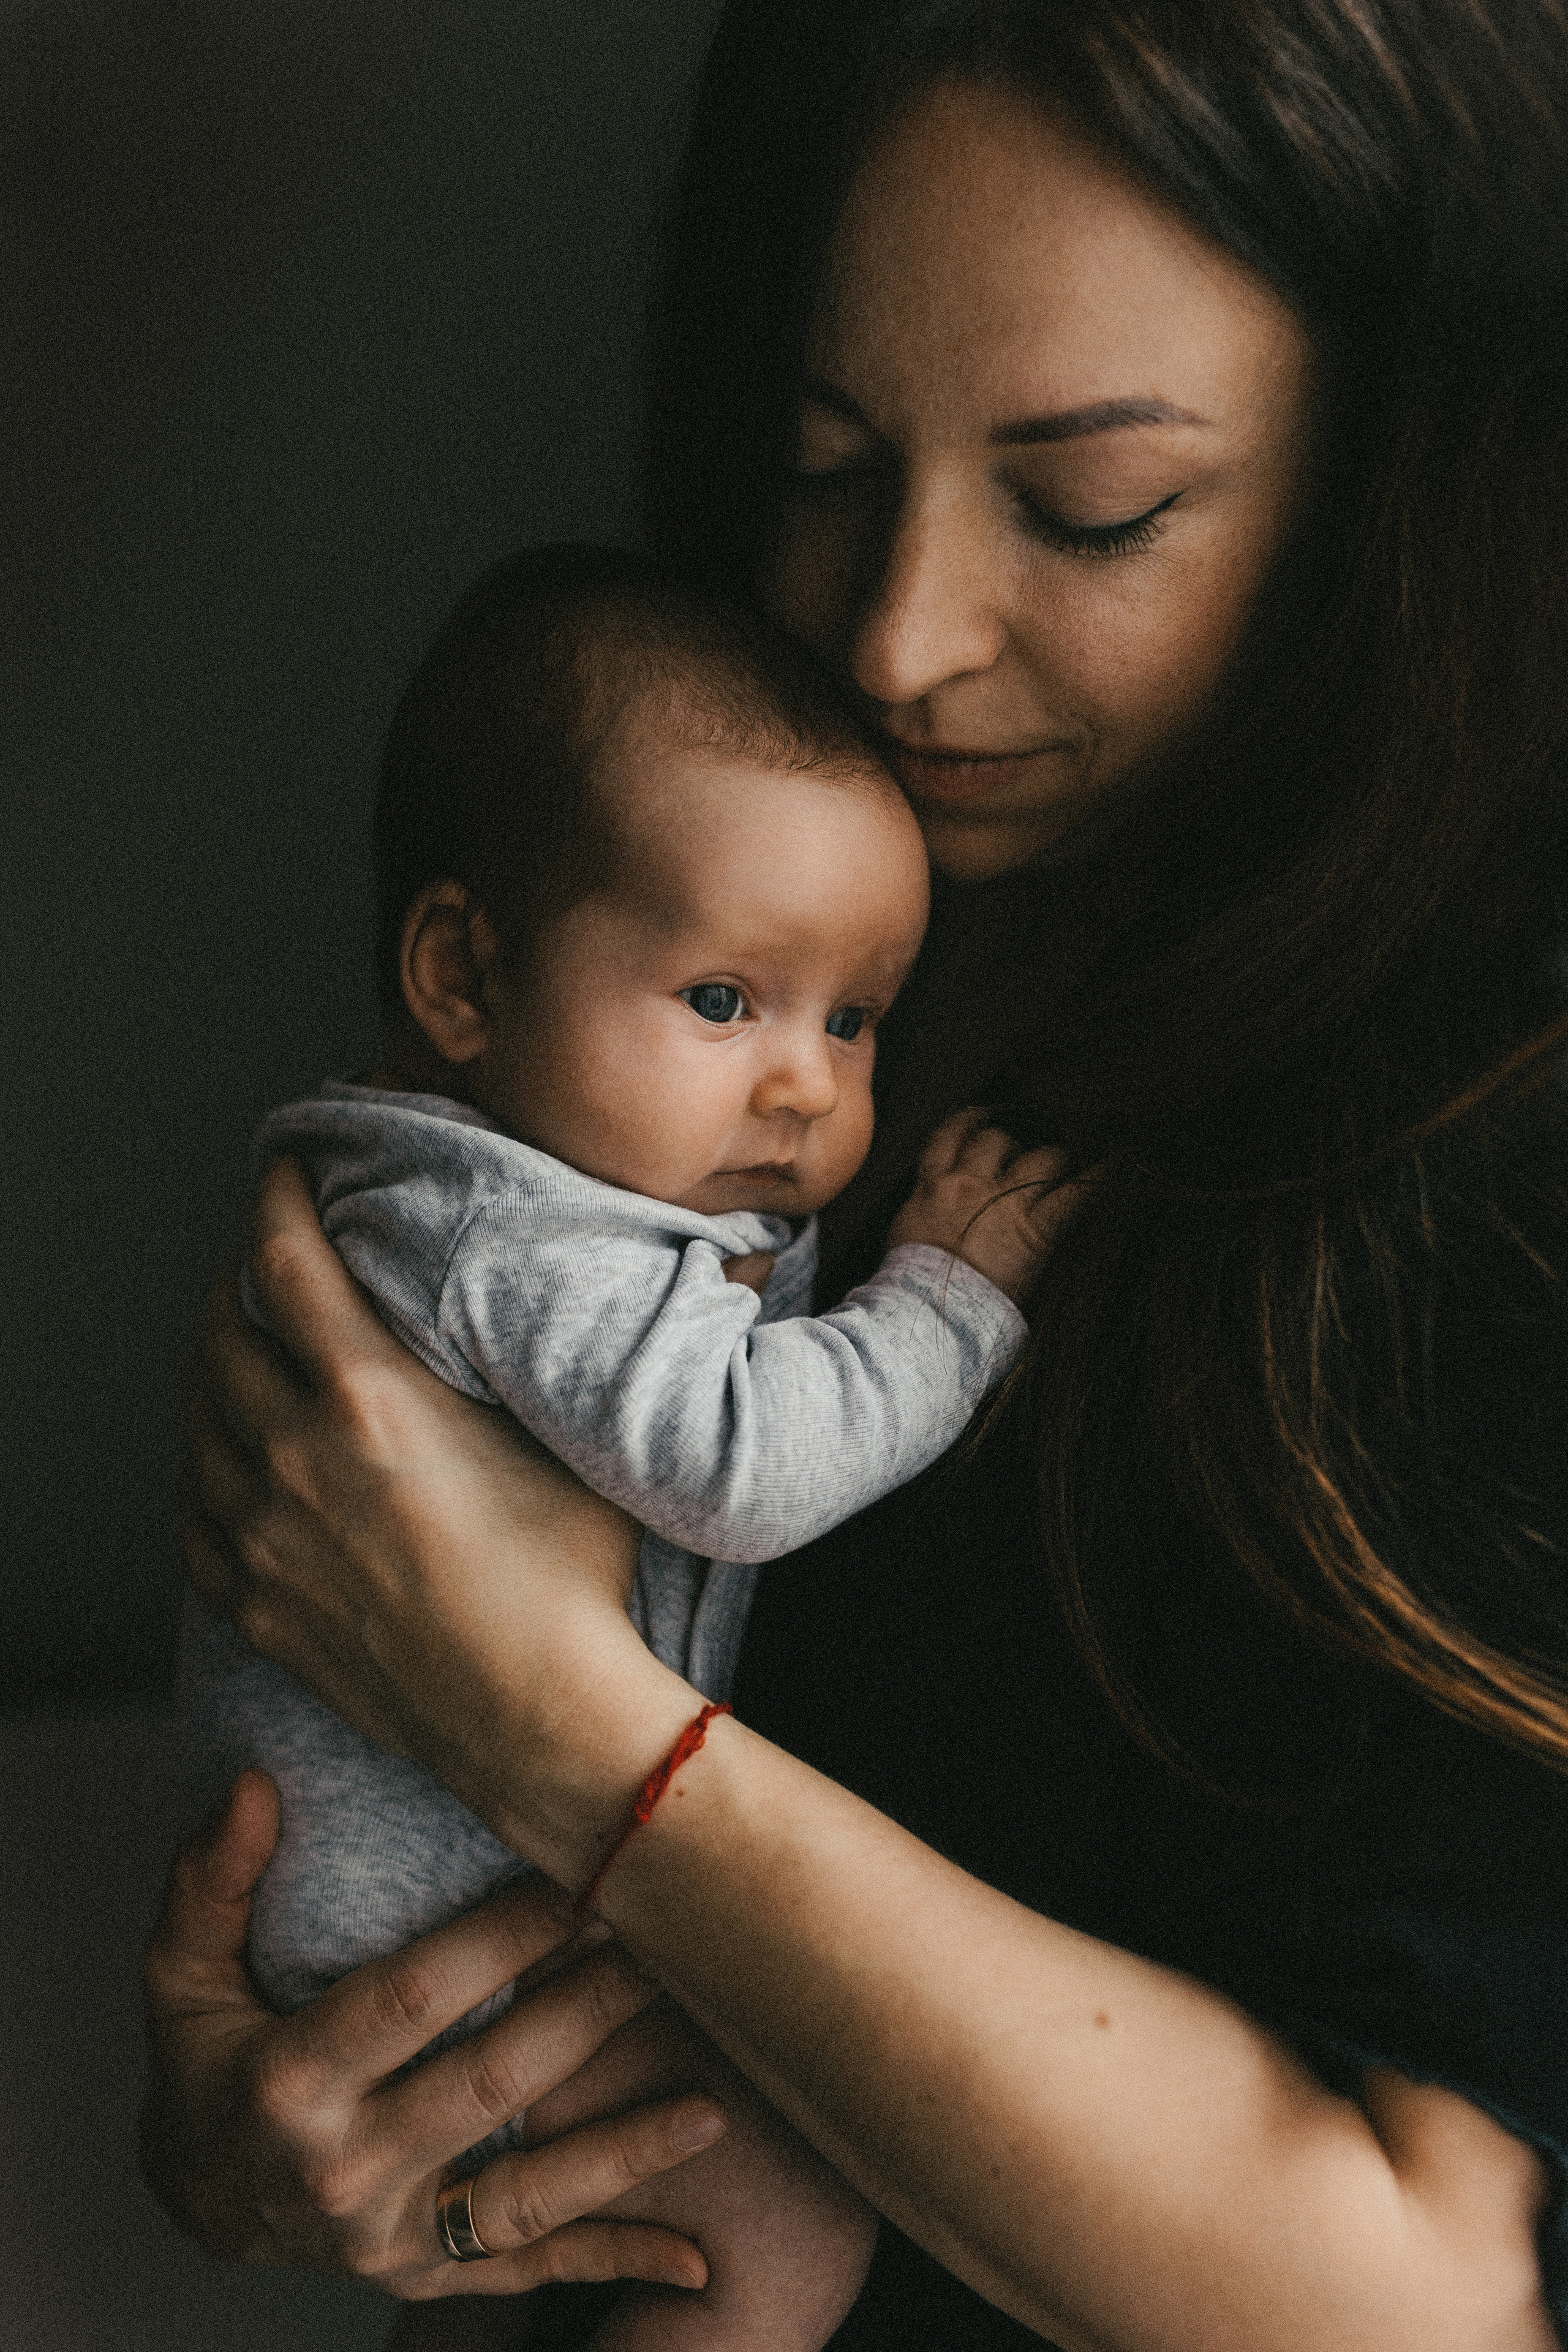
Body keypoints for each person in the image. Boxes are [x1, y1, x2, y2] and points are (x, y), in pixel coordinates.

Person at [148, 2, 1568, 2346]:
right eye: (823, 466)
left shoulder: (1492, 1161)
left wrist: (553, 1725)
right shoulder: (751, 920)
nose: (897, 642)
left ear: (1388, 479)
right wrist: (272, 2126)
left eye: (1091, 507)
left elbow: (1420, 2303)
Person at [183, 543, 1064, 2349]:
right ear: (463, 978)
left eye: (854, 1019)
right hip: (434, 1933)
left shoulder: (478, 1194)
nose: (804, 1083)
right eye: (725, 1001)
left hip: (430, 1915)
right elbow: (739, 1466)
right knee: (778, 2211)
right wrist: (949, 1301)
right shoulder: (515, 1237)